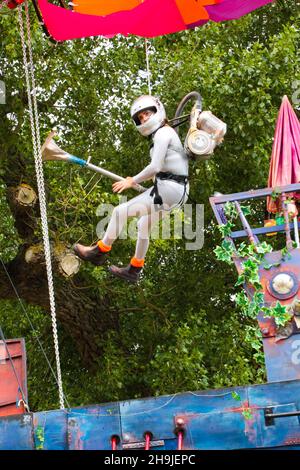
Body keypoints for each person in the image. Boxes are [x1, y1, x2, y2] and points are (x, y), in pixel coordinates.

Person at [74, 95, 189, 282]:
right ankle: (135, 269)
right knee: (143, 224)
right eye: (140, 118)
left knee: (120, 212)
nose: (144, 119)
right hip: (176, 191)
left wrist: (130, 180)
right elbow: (162, 170)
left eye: (146, 114)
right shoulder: (164, 135)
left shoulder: (163, 133)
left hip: (170, 189)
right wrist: (142, 185)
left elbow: (155, 167)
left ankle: (100, 251)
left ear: (157, 110)